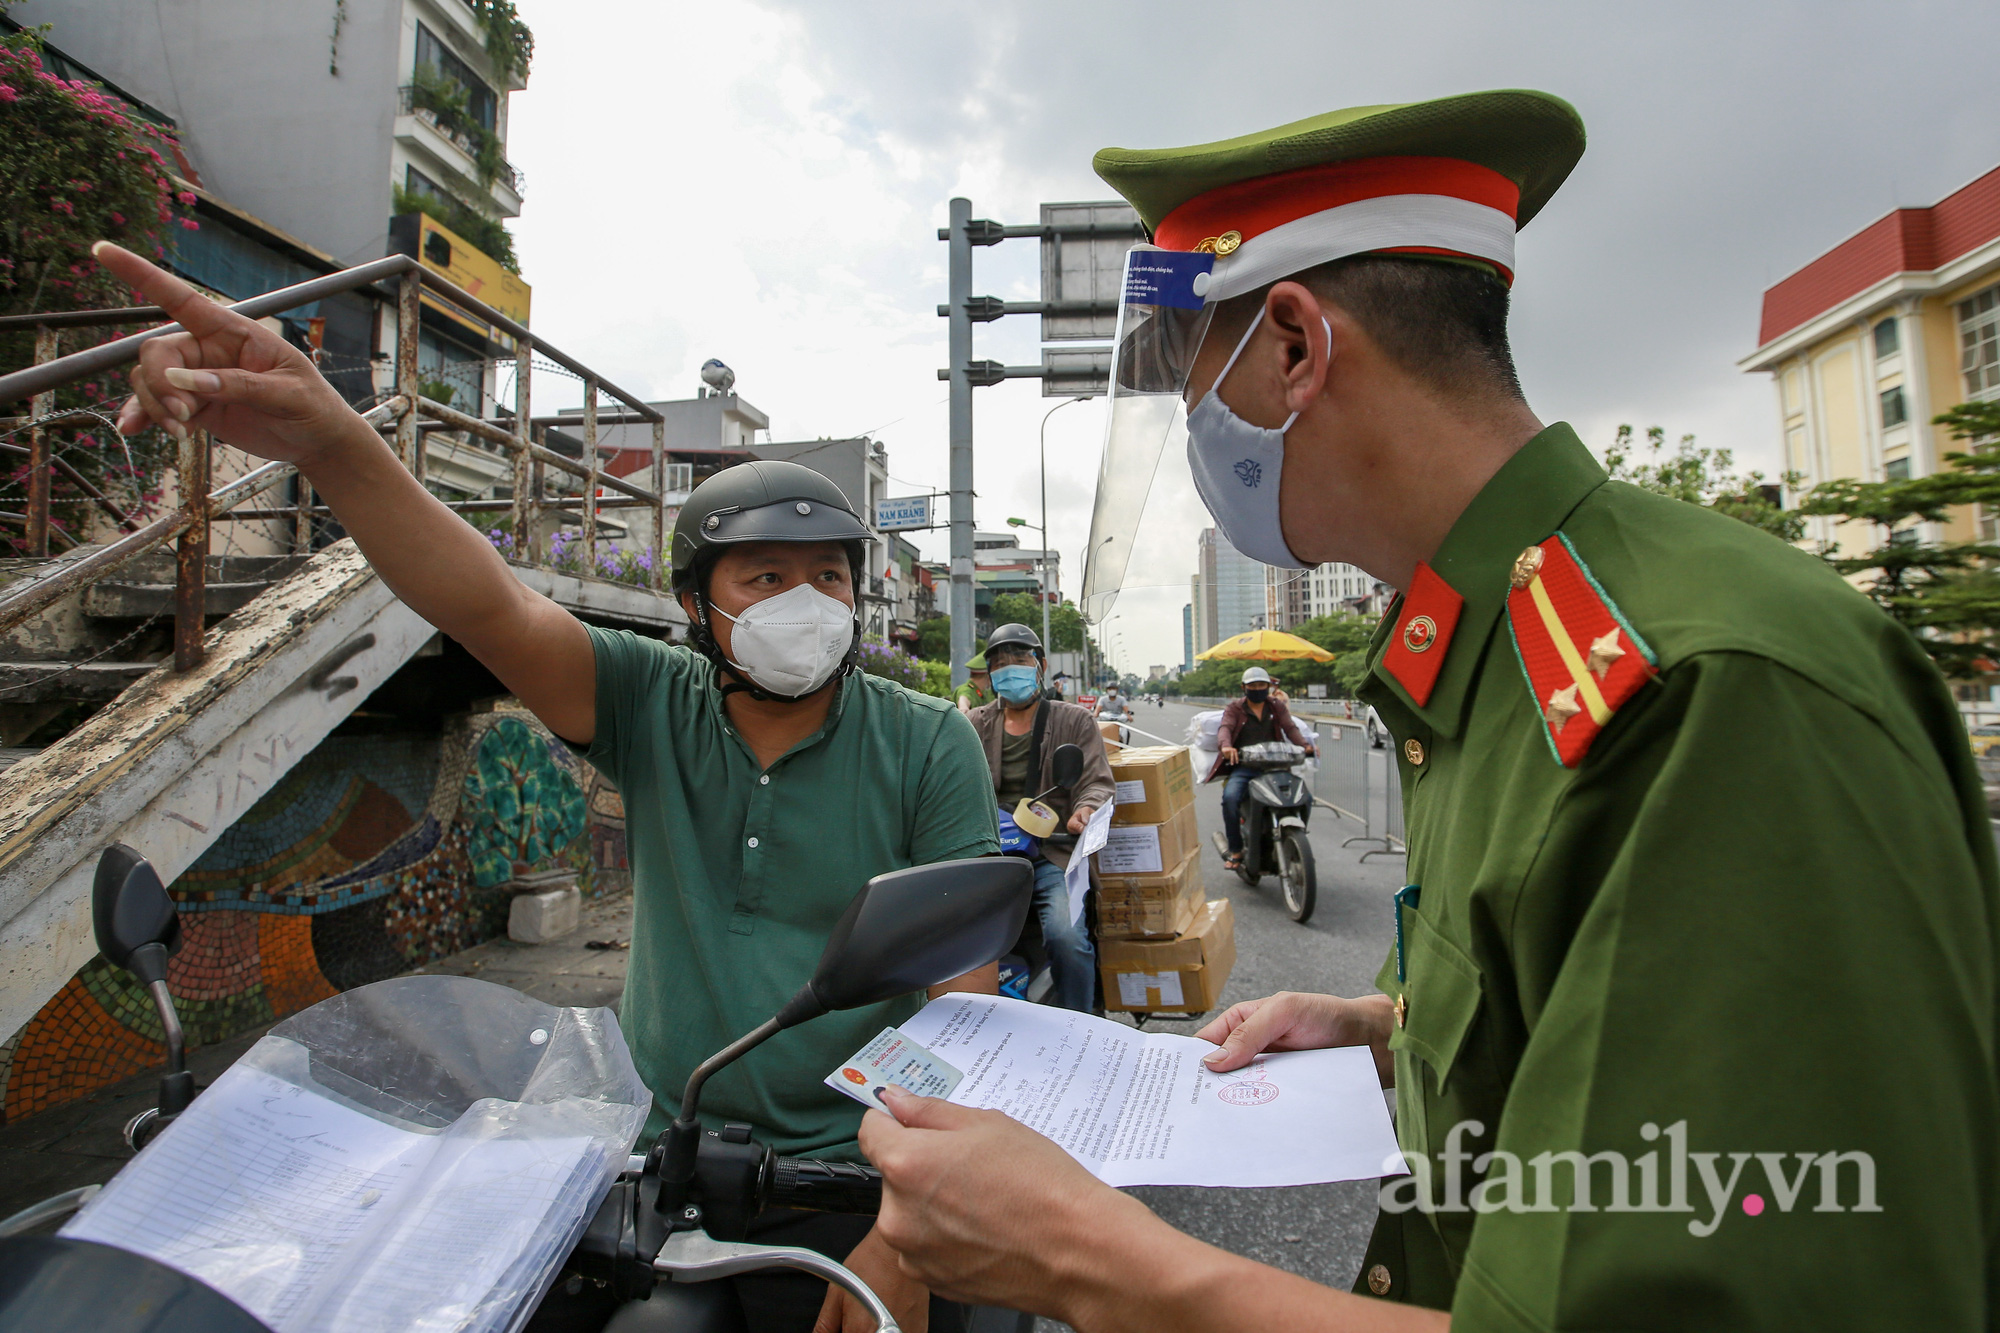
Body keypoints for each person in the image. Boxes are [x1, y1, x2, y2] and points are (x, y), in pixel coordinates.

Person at [853, 90, 1999, 1330]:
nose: (1194, 434)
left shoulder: (1695, 699)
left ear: (1292, 346)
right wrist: (1383, 1028)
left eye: (1195, 384)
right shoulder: (1494, 661)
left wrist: (1093, 1262)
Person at [94, 242, 999, 1333]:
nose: (805, 601)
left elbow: (961, 1002)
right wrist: (333, 439)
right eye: (764, 577)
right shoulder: (650, 700)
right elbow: (486, 604)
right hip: (664, 1152)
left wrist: (903, 1220)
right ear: (698, 606)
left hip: (860, 1165)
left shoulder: (927, 739)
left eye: (830, 578)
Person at [964, 623, 1116, 1011]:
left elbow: (1097, 783)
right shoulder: (972, 724)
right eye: (999, 663)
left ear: (1040, 665)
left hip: (1052, 854)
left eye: (1019, 659)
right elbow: (948, 785)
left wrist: (1084, 810)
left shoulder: (1074, 720)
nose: (1008, 669)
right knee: (946, 938)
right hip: (988, 858)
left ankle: (1082, 1026)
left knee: (1067, 938)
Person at [1210, 666, 1315, 872]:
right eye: (1253, 686)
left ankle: (1294, 837)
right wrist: (1226, 746)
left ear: (1268, 687)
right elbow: (1225, 728)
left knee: (1306, 799)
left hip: (1277, 766)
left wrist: (1304, 745)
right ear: (1244, 688)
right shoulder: (1235, 708)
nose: (1257, 689)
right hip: (1246, 767)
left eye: (1261, 685)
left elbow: (1289, 727)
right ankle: (1236, 849)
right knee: (1230, 799)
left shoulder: (1276, 706)